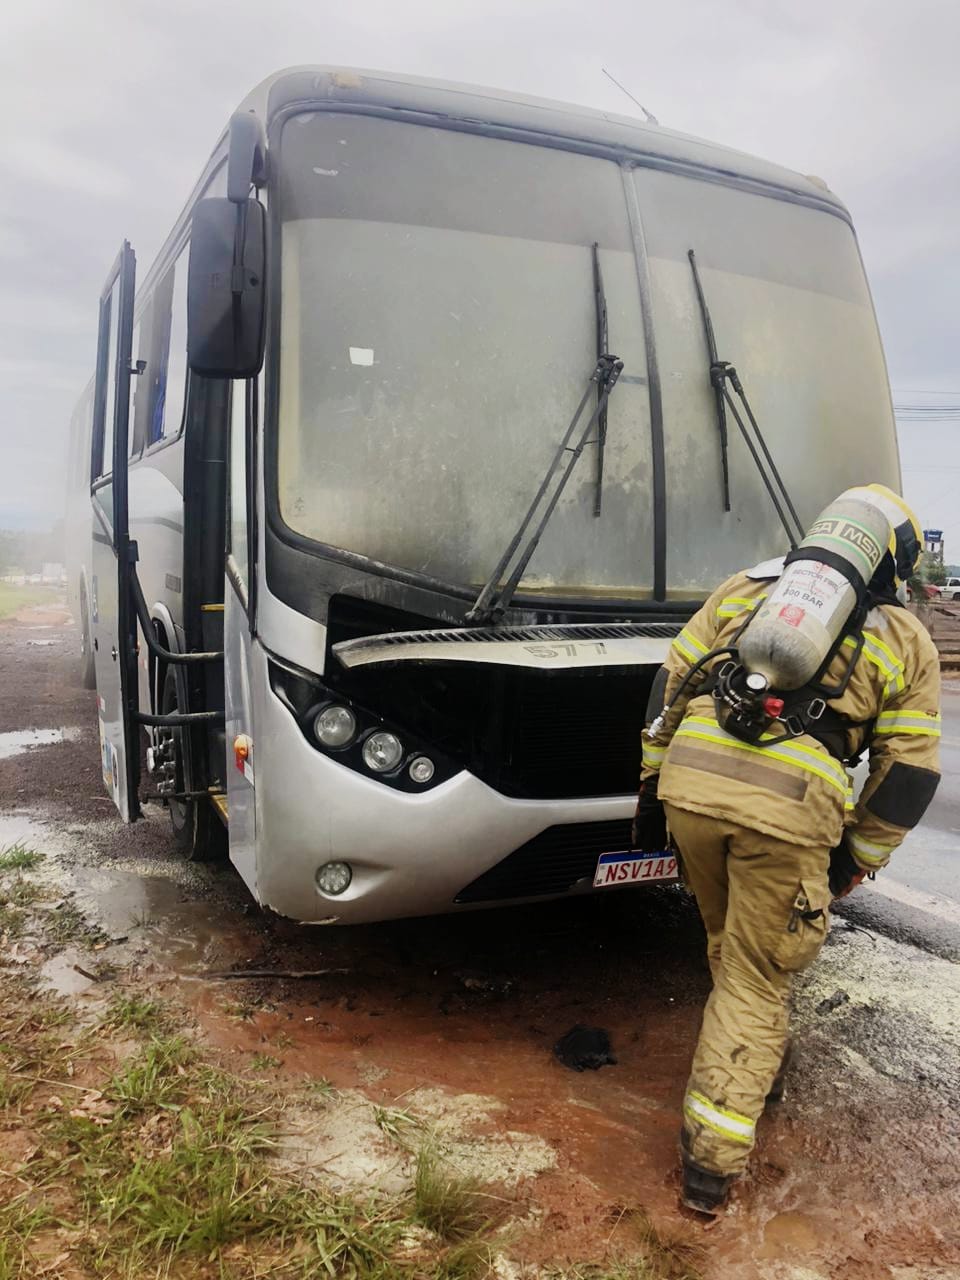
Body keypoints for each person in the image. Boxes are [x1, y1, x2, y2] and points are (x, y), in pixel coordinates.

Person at [632, 484, 941, 1214]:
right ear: (890, 561)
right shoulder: (903, 637)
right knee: (758, 979)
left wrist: (651, 788)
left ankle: (752, 1065)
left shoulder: (747, 589)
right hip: (786, 814)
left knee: (731, 945)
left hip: (691, 790)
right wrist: (855, 856)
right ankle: (710, 1170)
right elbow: (911, 773)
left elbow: (669, 683)